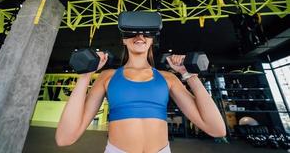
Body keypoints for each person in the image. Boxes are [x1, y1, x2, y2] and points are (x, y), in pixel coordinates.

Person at [55, 28, 226, 153]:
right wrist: (85, 76)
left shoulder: (168, 78)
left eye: (146, 33)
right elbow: (65, 138)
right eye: (132, 32)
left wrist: (190, 76)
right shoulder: (107, 77)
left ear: (152, 39)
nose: (140, 36)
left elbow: (216, 129)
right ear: (123, 39)